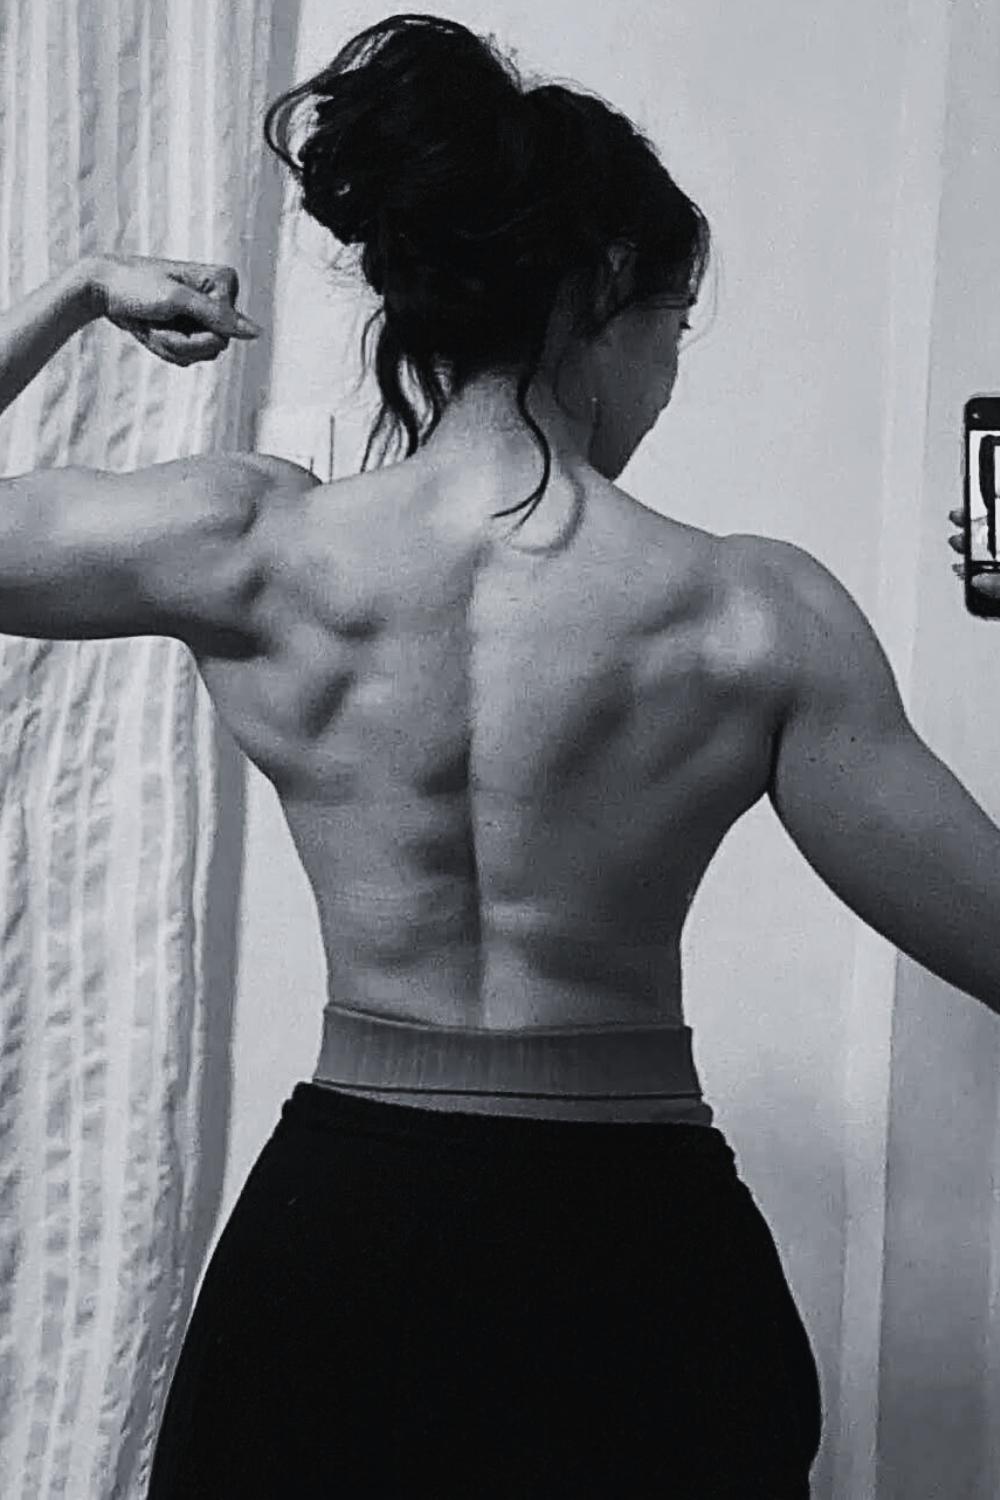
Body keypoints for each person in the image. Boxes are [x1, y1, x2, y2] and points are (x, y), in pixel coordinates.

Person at [0, 13, 997, 1498]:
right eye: (672, 330)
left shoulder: (251, 549)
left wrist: (77, 289)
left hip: (341, 1245)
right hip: (637, 1259)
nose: (667, 379)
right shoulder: (750, 611)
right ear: (604, 291)